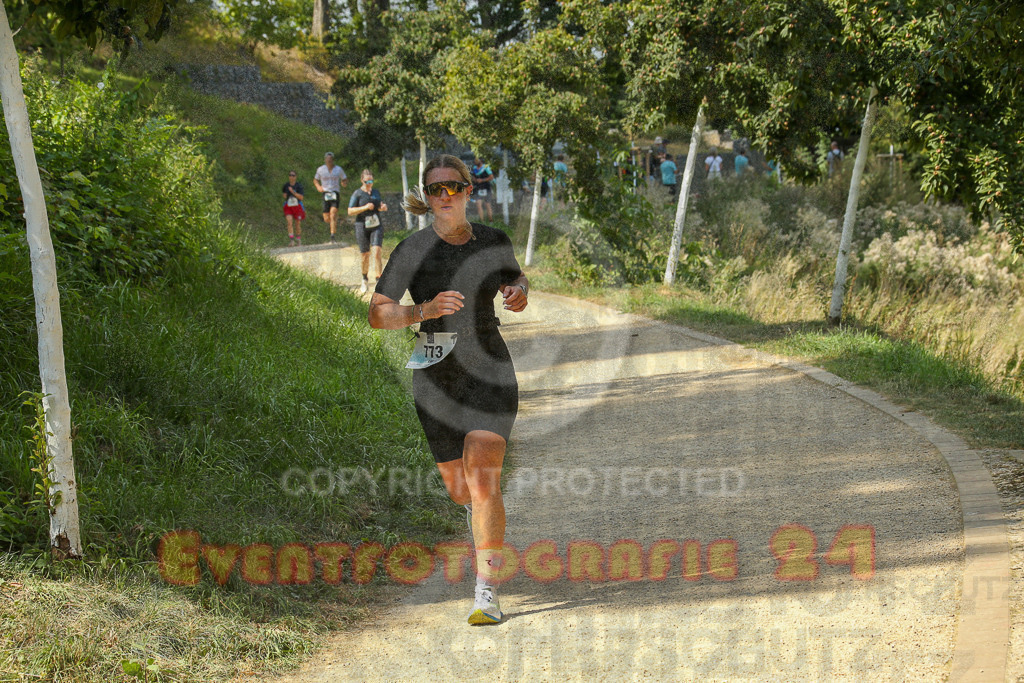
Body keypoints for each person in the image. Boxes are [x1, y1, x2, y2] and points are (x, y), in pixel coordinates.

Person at [368, 154, 528, 625]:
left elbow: (513, 277)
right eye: (435, 189)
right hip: (436, 376)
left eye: (453, 187)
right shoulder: (411, 250)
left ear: (468, 191)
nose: (444, 196)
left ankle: (486, 591)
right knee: (462, 491)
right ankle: (476, 519)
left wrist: (519, 290)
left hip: (489, 369)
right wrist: (425, 310)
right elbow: (378, 314)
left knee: (483, 483)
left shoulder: (493, 241)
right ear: (426, 195)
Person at [348, 169, 388, 294]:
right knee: (365, 255)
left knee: (377, 252)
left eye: (371, 180)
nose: (369, 183)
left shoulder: (376, 192)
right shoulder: (357, 194)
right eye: (367, 181)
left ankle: (378, 280)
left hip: (376, 224)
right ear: (362, 181)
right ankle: (364, 279)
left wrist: (382, 208)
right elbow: (350, 211)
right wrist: (365, 207)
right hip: (362, 225)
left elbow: (379, 205)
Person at [313, 152, 348, 243]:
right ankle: (333, 223)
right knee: (326, 218)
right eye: (327, 159)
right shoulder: (320, 169)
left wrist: (343, 183)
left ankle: (332, 236)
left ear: (333, 160)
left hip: (335, 193)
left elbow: (344, 178)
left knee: (333, 214)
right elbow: (315, 180)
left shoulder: (338, 169)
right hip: (325, 193)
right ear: (325, 160)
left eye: (330, 159)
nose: (329, 161)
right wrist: (318, 187)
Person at [282, 171, 305, 246]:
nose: (291, 177)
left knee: (297, 224)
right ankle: (291, 240)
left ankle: (298, 239)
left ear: (296, 177)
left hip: (297, 206)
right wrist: (285, 195)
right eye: (290, 175)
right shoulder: (286, 185)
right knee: (289, 222)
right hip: (288, 206)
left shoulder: (299, 186)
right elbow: (284, 195)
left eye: (293, 175)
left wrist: (293, 192)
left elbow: (301, 197)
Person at [469, 157, 495, 221]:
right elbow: (472, 176)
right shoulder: (474, 168)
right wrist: (474, 179)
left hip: (486, 187)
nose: (475, 161)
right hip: (478, 188)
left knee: (487, 205)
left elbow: (491, 177)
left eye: (476, 160)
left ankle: (491, 220)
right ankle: (482, 221)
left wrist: (482, 180)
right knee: (478, 204)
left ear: (480, 160)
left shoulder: (486, 167)